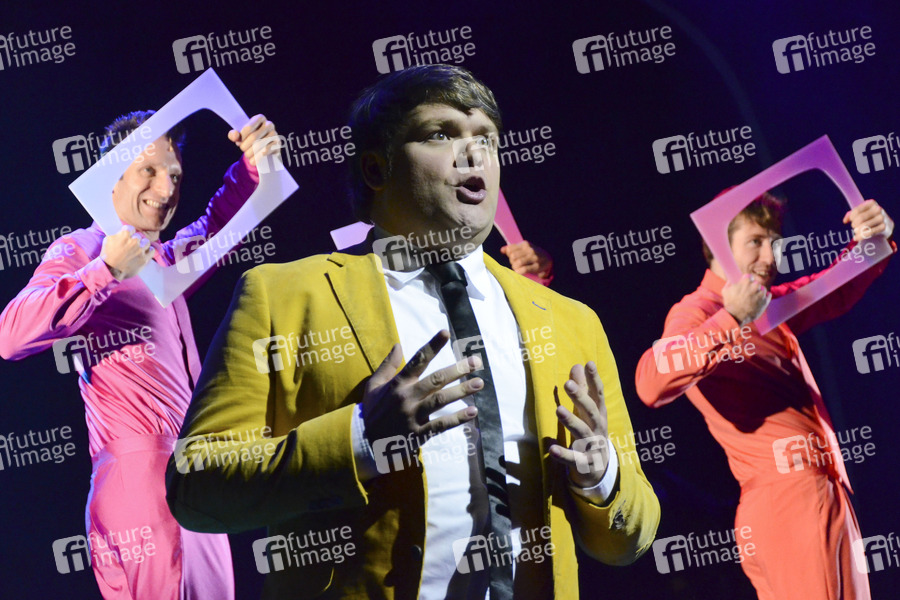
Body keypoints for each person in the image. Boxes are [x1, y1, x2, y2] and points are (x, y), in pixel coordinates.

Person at [166, 64, 660, 599]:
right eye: (440, 133)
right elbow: (197, 487)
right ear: (376, 167)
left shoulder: (569, 321)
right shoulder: (283, 296)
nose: (472, 154)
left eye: (486, 139)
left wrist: (601, 478)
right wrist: (360, 438)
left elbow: (629, 540)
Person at [0, 110, 281, 599]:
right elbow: (10, 335)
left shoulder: (165, 261)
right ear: (110, 179)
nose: (166, 188)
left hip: (183, 473)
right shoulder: (84, 248)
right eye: (148, 171)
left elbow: (218, 222)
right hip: (144, 481)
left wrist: (254, 166)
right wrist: (105, 270)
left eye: (174, 175)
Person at [635, 192, 894, 599]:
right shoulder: (700, 311)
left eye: (774, 242)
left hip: (809, 495)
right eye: (755, 242)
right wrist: (731, 318)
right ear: (717, 245)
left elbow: (832, 288)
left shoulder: (767, 305)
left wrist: (873, 239)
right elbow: (650, 382)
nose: (770, 257)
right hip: (790, 501)